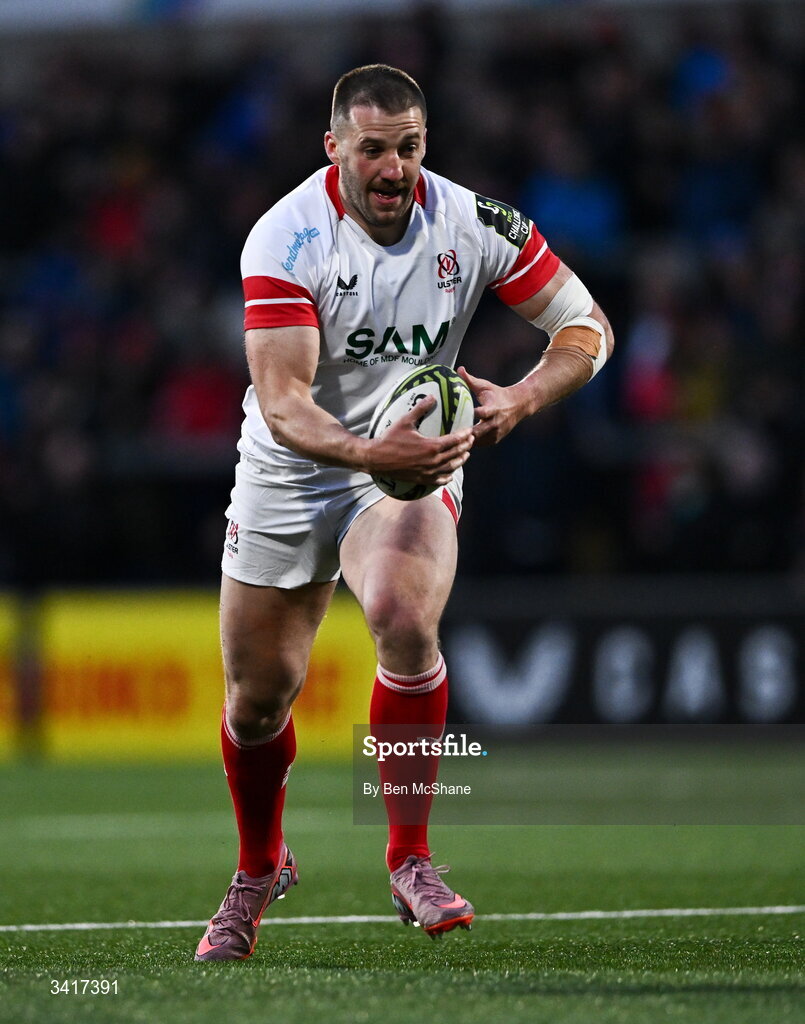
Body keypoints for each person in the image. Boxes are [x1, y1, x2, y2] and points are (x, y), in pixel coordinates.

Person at [195, 64, 613, 961]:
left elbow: (587, 328)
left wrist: (523, 398)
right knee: (257, 701)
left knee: (401, 616)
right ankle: (259, 867)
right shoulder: (285, 237)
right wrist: (365, 453)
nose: (394, 168)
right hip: (293, 467)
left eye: (410, 147)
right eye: (374, 149)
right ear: (334, 148)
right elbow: (284, 406)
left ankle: (411, 857)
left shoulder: (474, 222)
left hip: (414, 458)